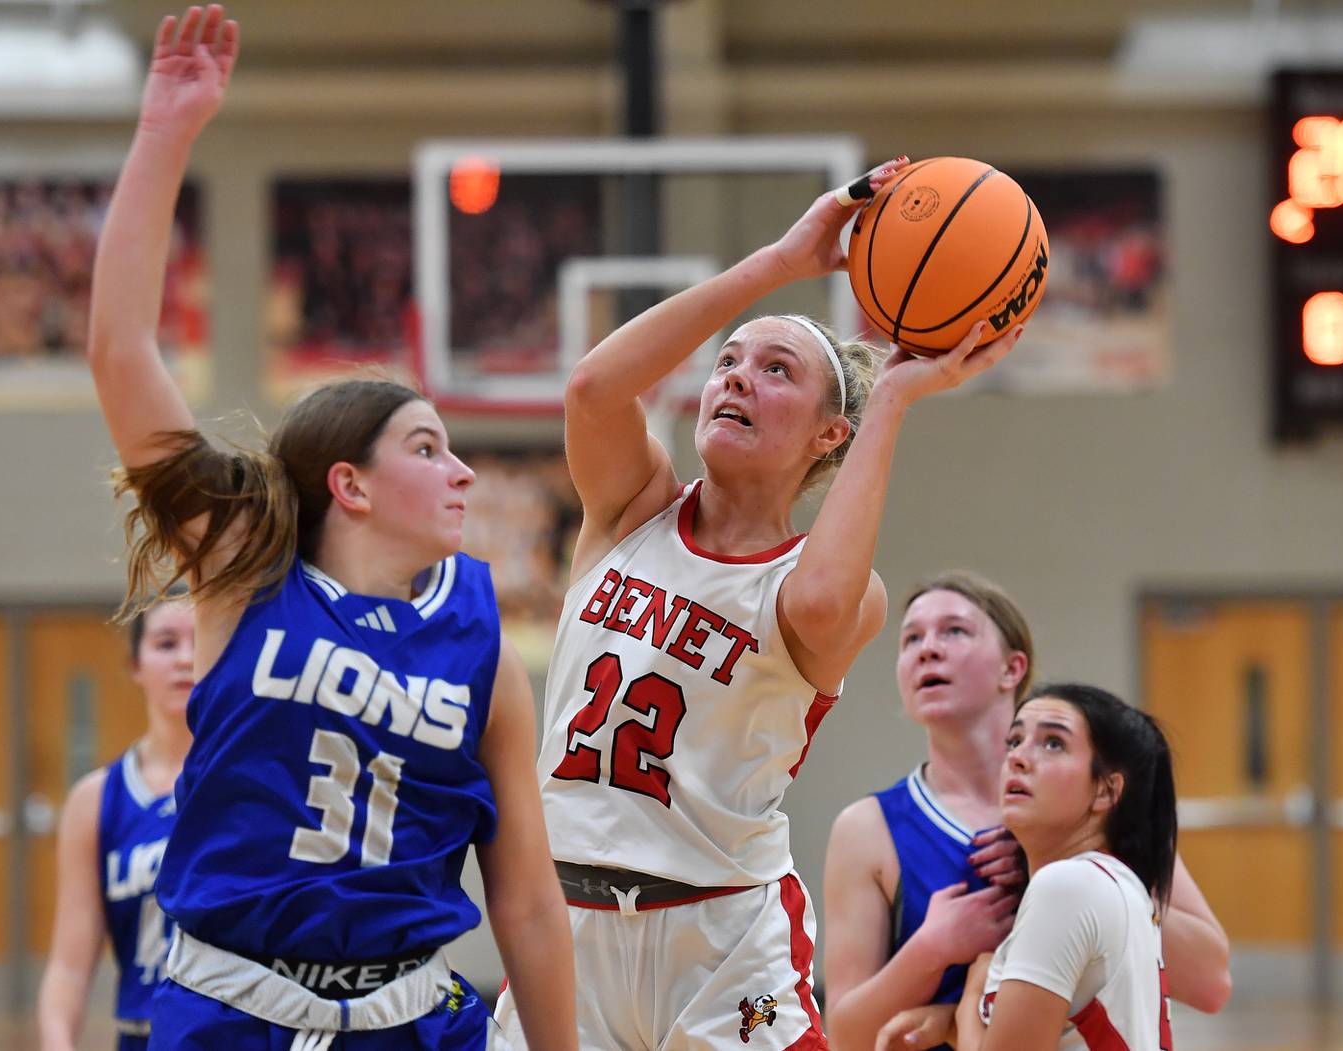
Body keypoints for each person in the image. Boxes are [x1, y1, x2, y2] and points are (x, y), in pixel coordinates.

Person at [86, 7, 574, 1048]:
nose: (464, 471)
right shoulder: (240, 567)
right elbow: (122, 347)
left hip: (409, 1016)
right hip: (231, 1008)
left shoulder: (486, 650)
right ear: (349, 483)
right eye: (430, 446)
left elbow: (526, 900)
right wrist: (166, 131)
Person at [493, 158, 1023, 1050]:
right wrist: (778, 262)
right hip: (568, 921)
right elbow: (592, 388)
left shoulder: (827, 585)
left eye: (775, 370)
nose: (735, 378)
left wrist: (893, 394)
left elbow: (816, 606)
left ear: (830, 434)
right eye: (728, 363)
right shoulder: (632, 511)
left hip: (722, 939)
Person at [825, 575, 1231, 1051]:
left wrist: (1044, 878)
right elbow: (847, 1037)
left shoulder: (1092, 811)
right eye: (911, 638)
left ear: (1012, 668)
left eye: (954, 631)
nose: (927, 649)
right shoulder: (867, 828)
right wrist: (930, 950)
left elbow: (1210, 982)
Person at [880, 683, 1185, 1051]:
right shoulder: (1114, 883)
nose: (1018, 758)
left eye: (1053, 743)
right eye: (1014, 741)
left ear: (1106, 791)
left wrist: (971, 1001)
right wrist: (949, 1022)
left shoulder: (1068, 886)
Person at [38, 598, 194, 1051]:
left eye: (201, 643)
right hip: (142, 1036)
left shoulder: (253, 782)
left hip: (235, 1035)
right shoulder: (95, 800)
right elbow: (68, 966)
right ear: (135, 665)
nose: (185, 658)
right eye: (166, 644)